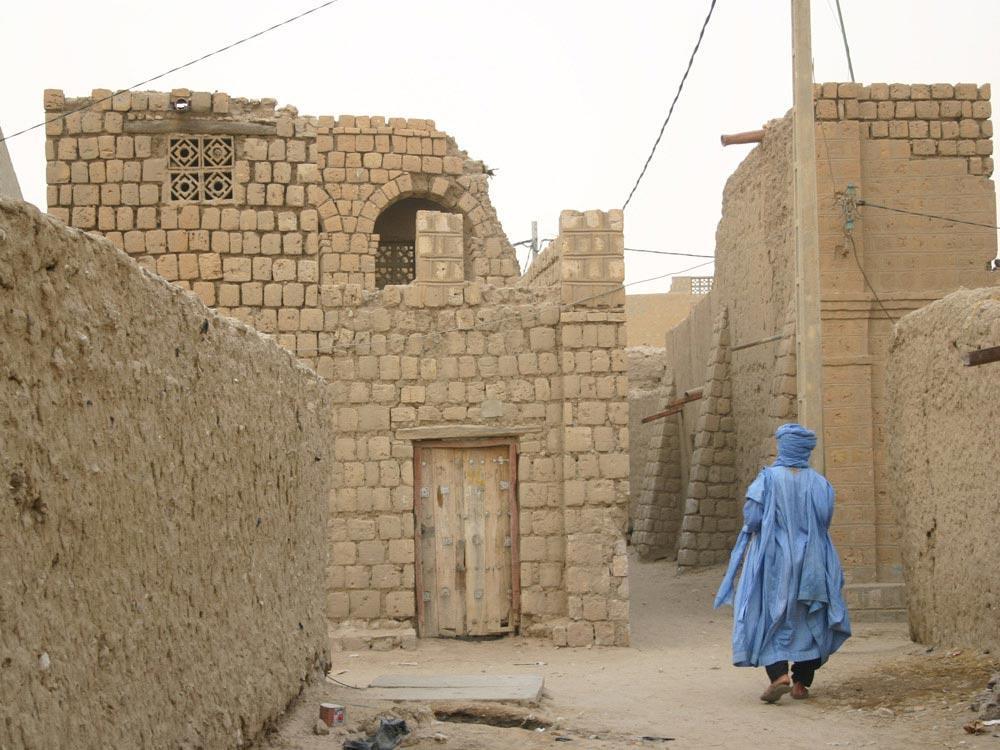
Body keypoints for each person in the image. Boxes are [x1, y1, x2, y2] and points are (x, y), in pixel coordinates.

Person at [714, 423, 851, 703]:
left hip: (774, 560)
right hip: (814, 560)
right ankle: (801, 682)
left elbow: (752, 518)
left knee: (769, 615)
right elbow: (825, 519)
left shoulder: (767, 480)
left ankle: (779, 676)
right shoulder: (820, 483)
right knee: (811, 619)